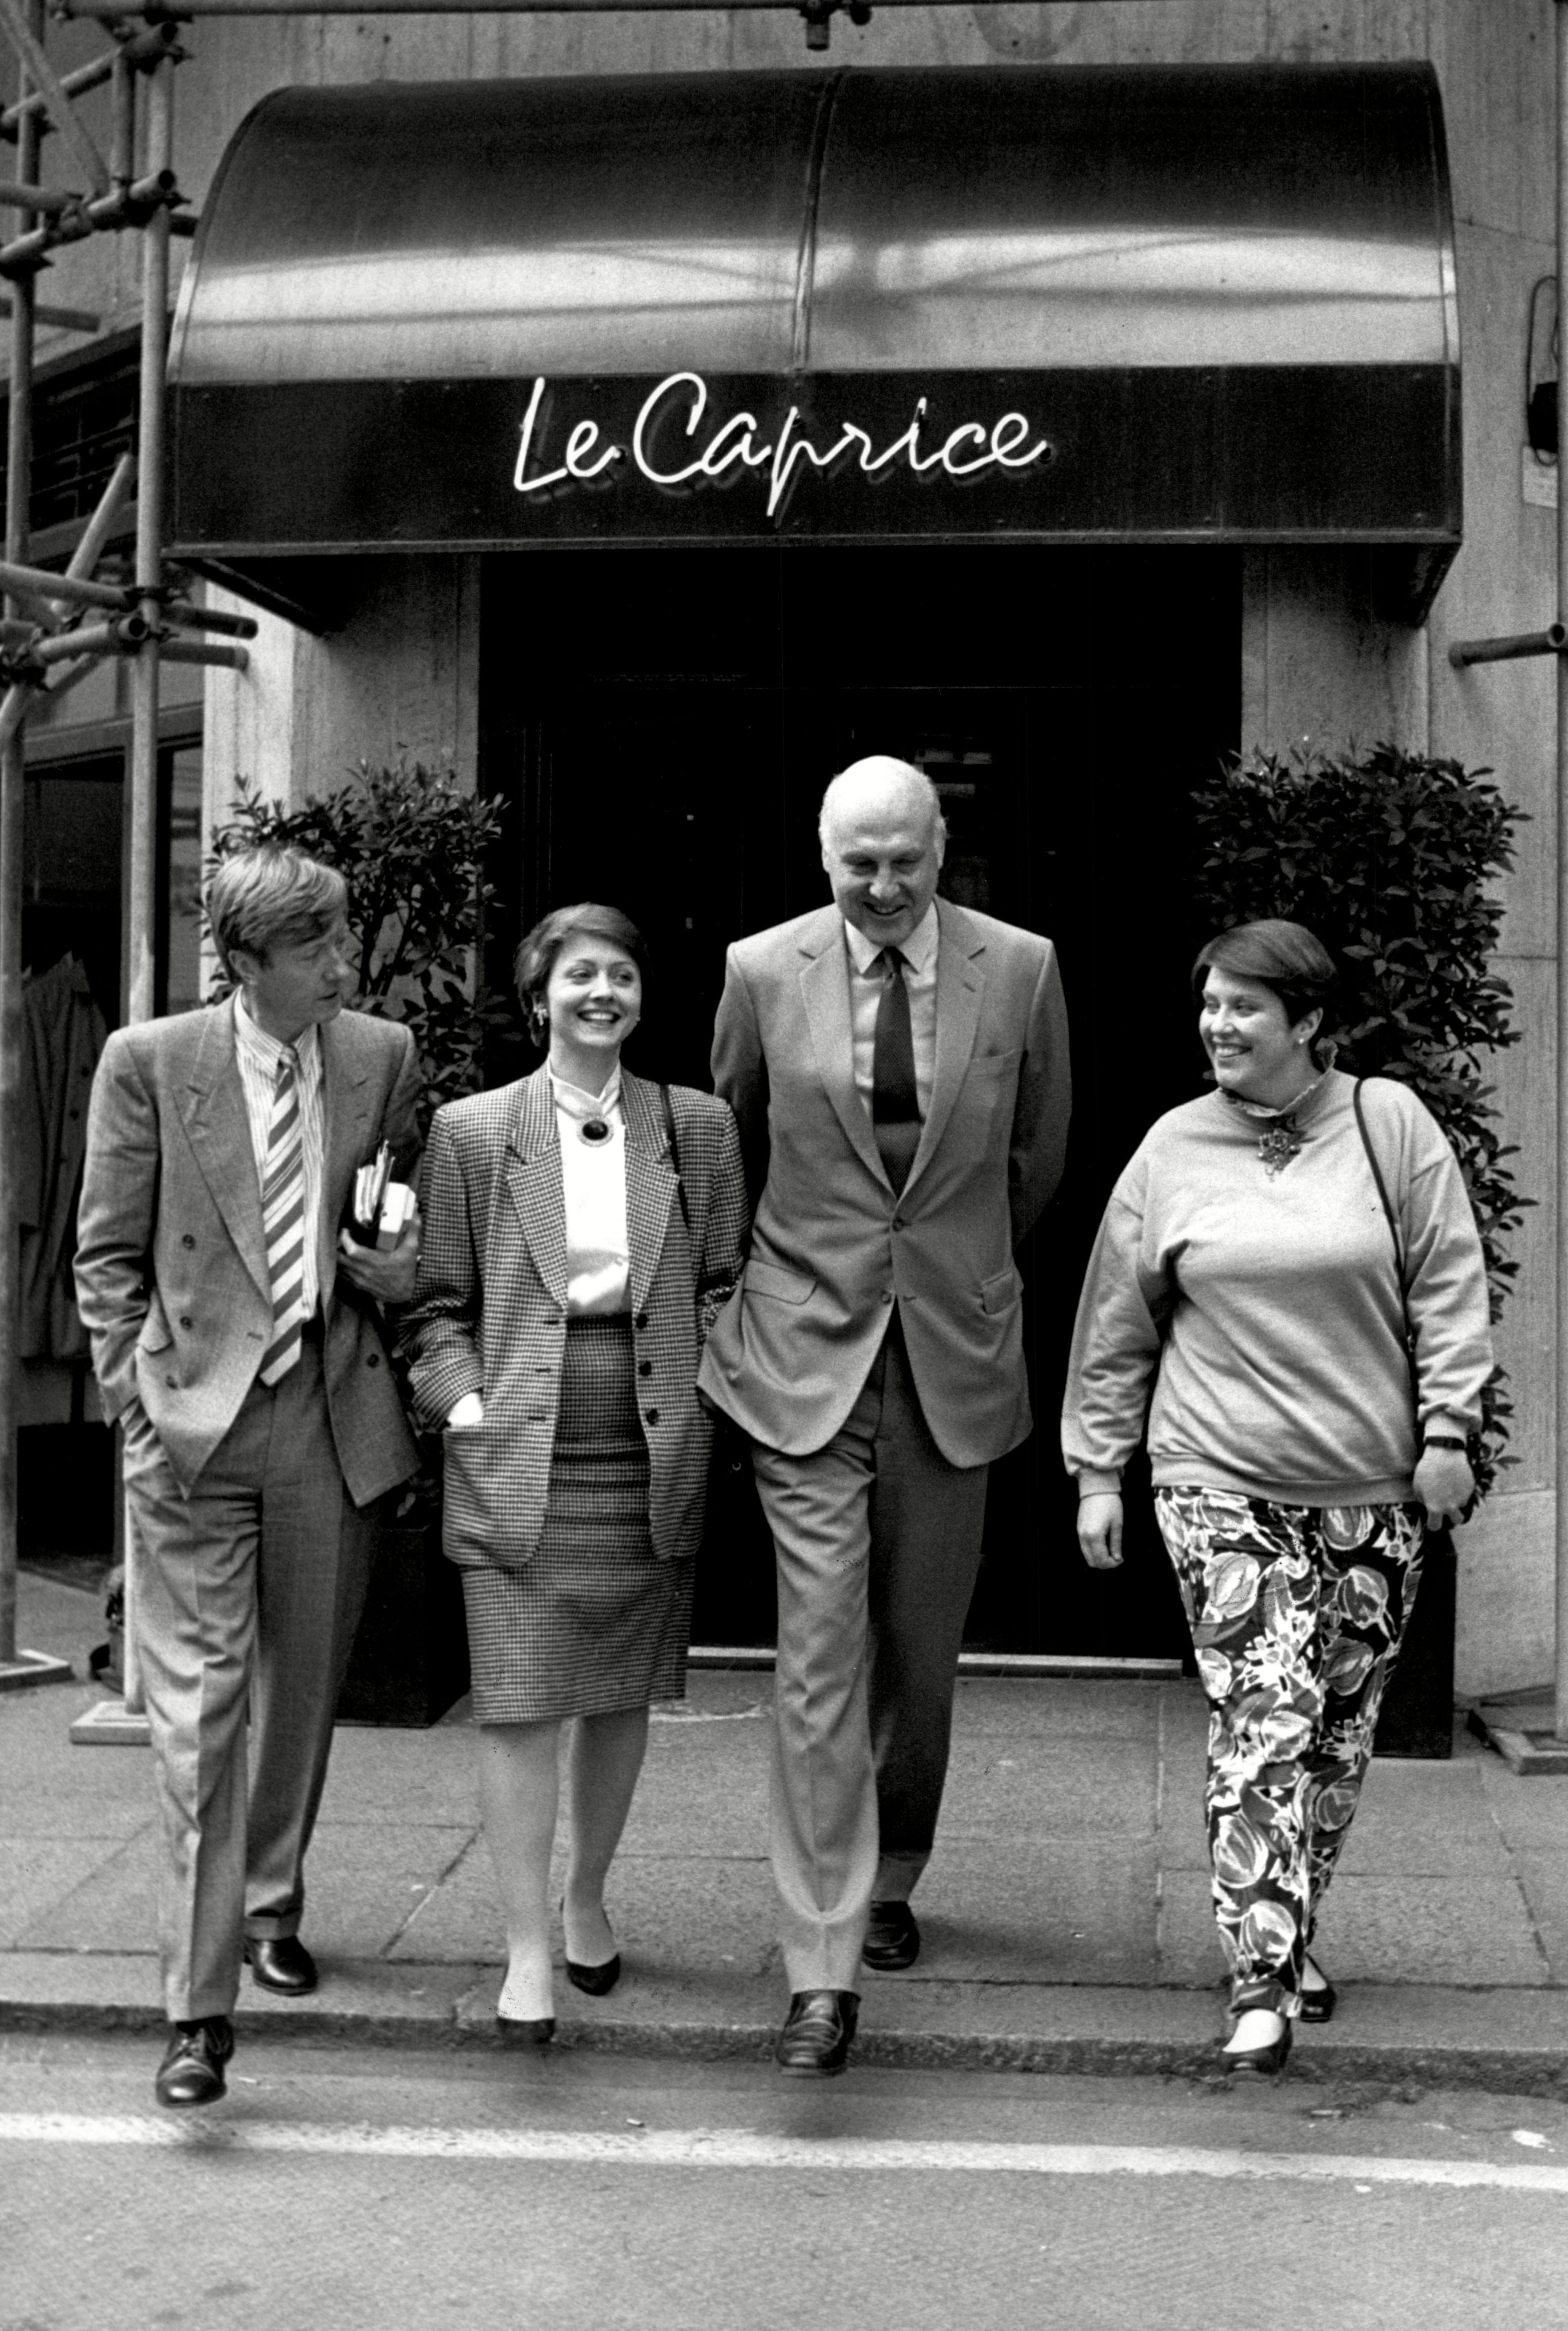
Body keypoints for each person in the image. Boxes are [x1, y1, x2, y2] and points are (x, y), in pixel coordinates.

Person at [1062, 919, 1490, 2074]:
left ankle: (1289, 1926)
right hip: (1217, 1478)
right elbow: (1116, 1321)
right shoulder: (1169, 1148)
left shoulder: (1387, 1122)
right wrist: (1099, 1469)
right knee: (1267, 1715)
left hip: (1369, 1484)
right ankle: (1260, 1976)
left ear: (1308, 1022)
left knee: (1339, 1737)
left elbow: (1450, 1280)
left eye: (1244, 1005)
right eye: (1209, 1003)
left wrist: (1449, 1427)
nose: (1218, 1023)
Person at [700, 755, 1071, 2076]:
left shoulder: (1019, 968)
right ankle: (821, 1965)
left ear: (938, 844)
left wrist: (952, 1269)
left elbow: (1037, 1154)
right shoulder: (759, 970)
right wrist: (774, 1290)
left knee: (917, 1659)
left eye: (902, 858)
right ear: (820, 850)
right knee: (816, 1662)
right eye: (857, 860)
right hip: (801, 1356)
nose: (880, 883)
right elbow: (727, 1145)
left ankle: (893, 1868)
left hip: (951, 1358)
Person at [74, 845, 423, 2109]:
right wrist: (137, 1400)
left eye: (343, 940)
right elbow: (105, 1254)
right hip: (192, 1429)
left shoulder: (381, 1058)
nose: (344, 961)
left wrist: (396, 1271)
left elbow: (397, 1236)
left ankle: (272, 1897)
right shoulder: (151, 1062)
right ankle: (197, 2007)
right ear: (249, 961)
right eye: (321, 946)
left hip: (330, 1418)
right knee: (200, 1719)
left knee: (303, 1690)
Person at [402, 904, 747, 2039]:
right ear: (537, 994)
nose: (603, 991)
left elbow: (725, 1285)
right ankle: (524, 1950)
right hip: (516, 1446)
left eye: (623, 973)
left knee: (616, 1693)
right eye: (579, 974)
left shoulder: (694, 1126)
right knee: (516, 1703)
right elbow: (437, 1301)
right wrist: (466, 1406)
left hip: (650, 1442)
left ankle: (587, 1895)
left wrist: (707, 1398)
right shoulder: (471, 1129)